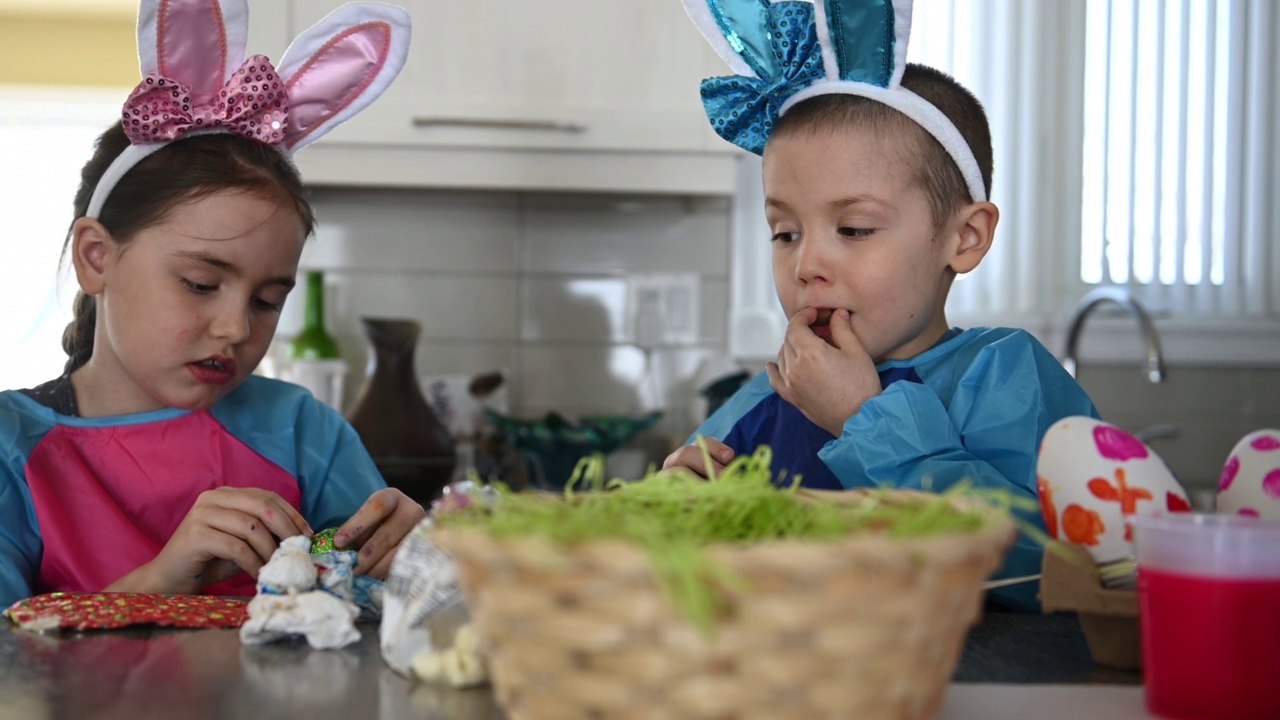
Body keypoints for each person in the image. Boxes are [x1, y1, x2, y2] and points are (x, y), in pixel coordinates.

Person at [667, 0, 1099, 609]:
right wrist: (668, 507)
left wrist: (863, 421)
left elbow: (1045, 566)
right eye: (785, 232)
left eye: (855, 229)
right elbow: (688, 548)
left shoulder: (1003, 375)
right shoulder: (768, 397)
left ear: (964, 237)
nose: (806, 264)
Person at [0, 0, 415, 607]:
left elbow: (384, 614)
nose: (235, 327)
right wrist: (157, 586)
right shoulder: (14, 445)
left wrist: (415, 562)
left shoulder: (305, 434)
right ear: (97, 258)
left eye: (269, 300)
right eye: (199, 283)